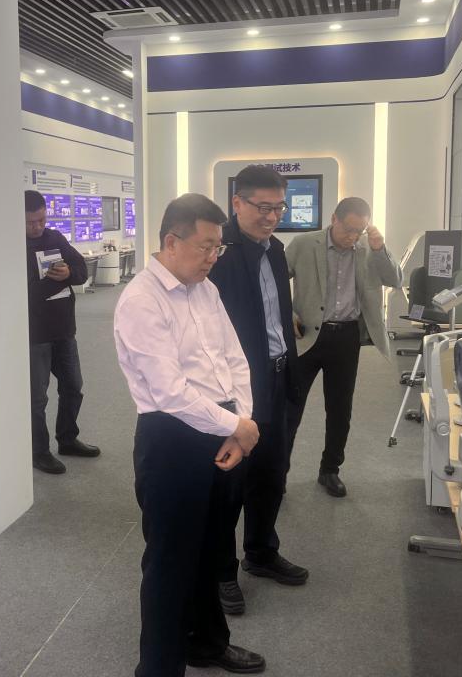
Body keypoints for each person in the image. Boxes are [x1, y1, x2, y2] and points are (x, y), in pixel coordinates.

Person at [114, 193, 266, 676]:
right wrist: (237, 427)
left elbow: (235, 359)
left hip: (223, 432)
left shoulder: (205, 289)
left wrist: (241, 424)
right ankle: (158, 668)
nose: (212, 257)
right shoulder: (142, 300)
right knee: (170, 562)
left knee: (211, 549)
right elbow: (170, 393)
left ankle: (207, 644)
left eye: (218, 247)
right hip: (171, 440)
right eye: (205, 247)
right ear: (170, 242)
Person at [208, 165, 308, 617]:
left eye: (278, 208)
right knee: (230, 484)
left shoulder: (276, 250)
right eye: (262, 207)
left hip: (278, 376)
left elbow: (280, 317)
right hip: (238, 388)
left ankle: (262, 552)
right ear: (237, 203)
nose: (271, 217)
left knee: (272, 474)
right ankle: (221, 571)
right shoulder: (220, 254)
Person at [285, 197, 402, 497]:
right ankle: (278, 471)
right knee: (290, 407)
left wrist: (379, 248)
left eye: (358, 231)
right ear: (334, 219)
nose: (352, 236)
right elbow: (275, 281)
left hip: (346, 337)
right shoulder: (304, 244)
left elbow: (394, 280)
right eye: (348, 229)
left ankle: (330, 470)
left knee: (340, 409)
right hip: (307, 336)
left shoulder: (369, 248)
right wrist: (288, 313)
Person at [25, 189, 99, 474]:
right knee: (37, 399)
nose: (37, 227)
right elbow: (26, 294)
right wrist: (56, 281)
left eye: (41, 220)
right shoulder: (12, 247)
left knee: (73, 388)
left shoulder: (56, 238)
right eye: (31, 222)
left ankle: (67, 439)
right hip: (35, 335)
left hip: (64, 329)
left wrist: (68, 275)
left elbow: (81, 271)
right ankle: (39, 452)